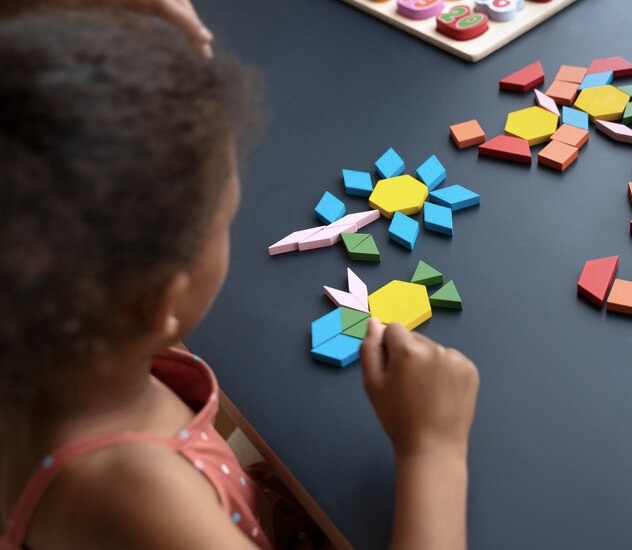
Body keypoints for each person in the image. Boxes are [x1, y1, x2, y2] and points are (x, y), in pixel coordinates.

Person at [0, 5, 479, 550]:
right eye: (225, 221)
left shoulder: (52, 346)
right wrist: (434, 453)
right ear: (161, 301)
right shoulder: (138, 498)